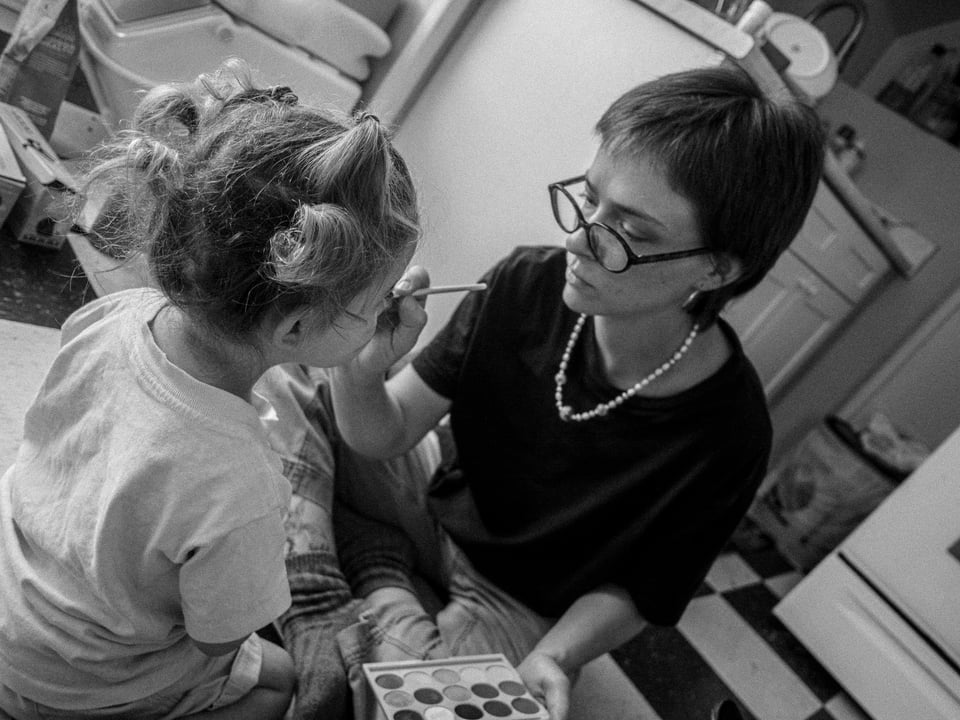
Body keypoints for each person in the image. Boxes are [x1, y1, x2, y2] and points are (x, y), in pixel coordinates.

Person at [256, 63, 825, 720]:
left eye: (630, 233)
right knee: (286, 372)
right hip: (431, 497)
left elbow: (643, 592)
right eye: (589, 199)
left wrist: (558, 657)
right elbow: (386, 434)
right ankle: (341, 592)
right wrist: (359, 368)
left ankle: (378, 570)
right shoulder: (527, 280)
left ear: (719, 267)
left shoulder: (730, 433)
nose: (577, 240)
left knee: (439, 706)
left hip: (517, 601)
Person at [0, 59, 421, 720]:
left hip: (13, 603)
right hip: (77, 680)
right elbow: (216, 636)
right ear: (300, 324)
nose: (383, 313)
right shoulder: (244, 483)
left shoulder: (113, 315)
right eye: (375, 304)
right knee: (281, 679)